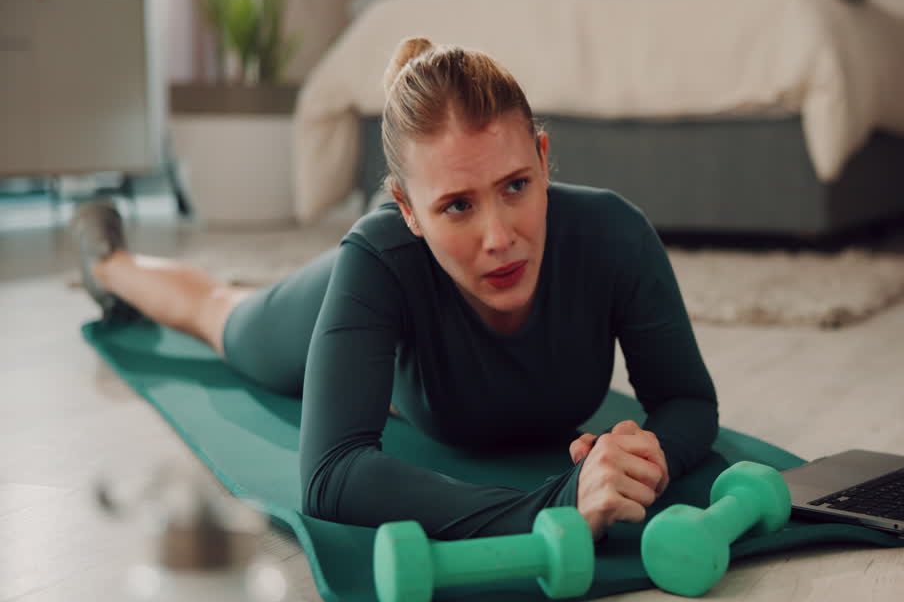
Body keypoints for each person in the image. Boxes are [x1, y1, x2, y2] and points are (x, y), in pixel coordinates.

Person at [71, 37, 719, 541]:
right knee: (226, 320)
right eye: (458, 206)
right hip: (368, 293)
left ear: (546, 160)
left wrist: (646, 460)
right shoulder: (380, 258)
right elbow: (331, 477)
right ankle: (107, 258)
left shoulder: (615, 236)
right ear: (408, 209)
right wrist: (555, 505)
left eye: (516, 186)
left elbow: (687, 399)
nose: (498, 237)